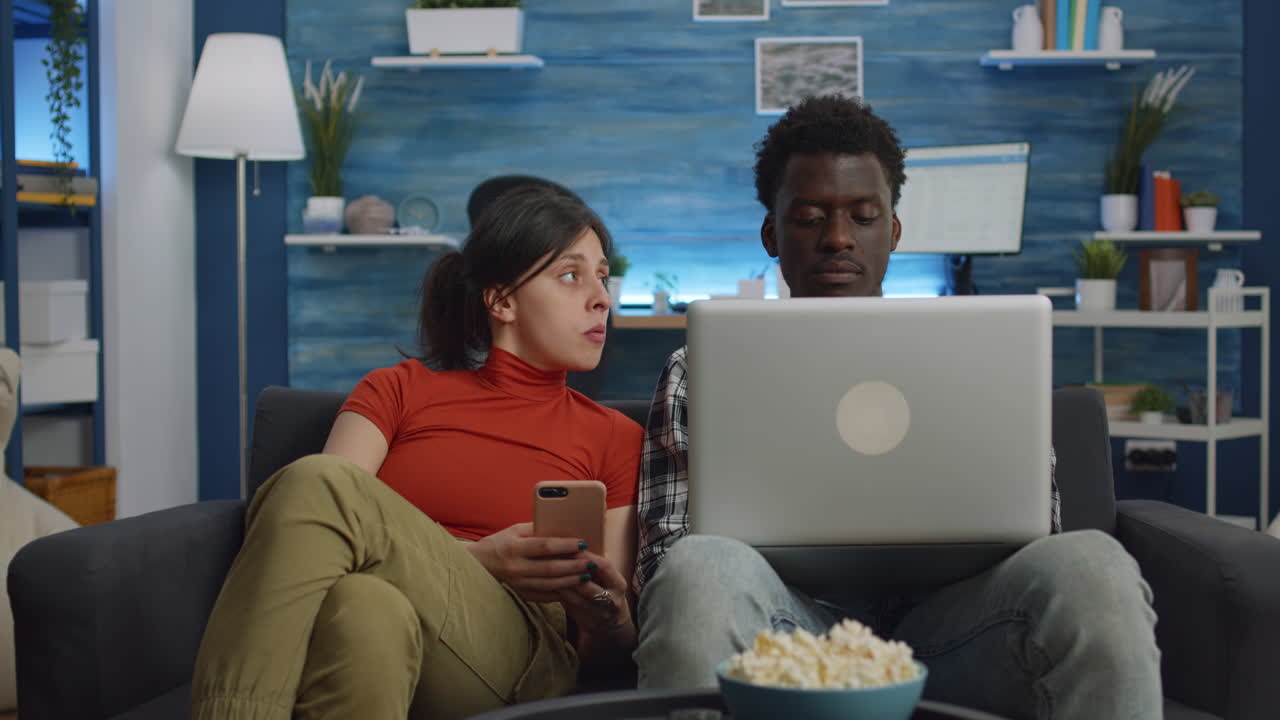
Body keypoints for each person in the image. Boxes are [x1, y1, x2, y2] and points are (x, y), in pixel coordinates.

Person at [632, 95, 1161, 719]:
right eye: (808, 218)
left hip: (963, 634)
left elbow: (1034, 531)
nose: (837, 238)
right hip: (785, 638)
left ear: (894, 230)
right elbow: (662, 560)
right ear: (773, 234)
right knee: (696, 568)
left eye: (862, 216)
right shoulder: (701, 367)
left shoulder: (985, 354)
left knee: (1094, 562)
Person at [190, 185, 644, 720]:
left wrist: (610, 615)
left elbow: (608, 651)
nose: (601, 298)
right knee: (365, 608)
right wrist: (480, 558)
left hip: (522, 653)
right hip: (390, 615)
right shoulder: (398, 390)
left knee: (318, 485)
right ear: (502, 301)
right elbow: (310, 519)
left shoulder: (615, 434)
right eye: (572, 275)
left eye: (601, 275)